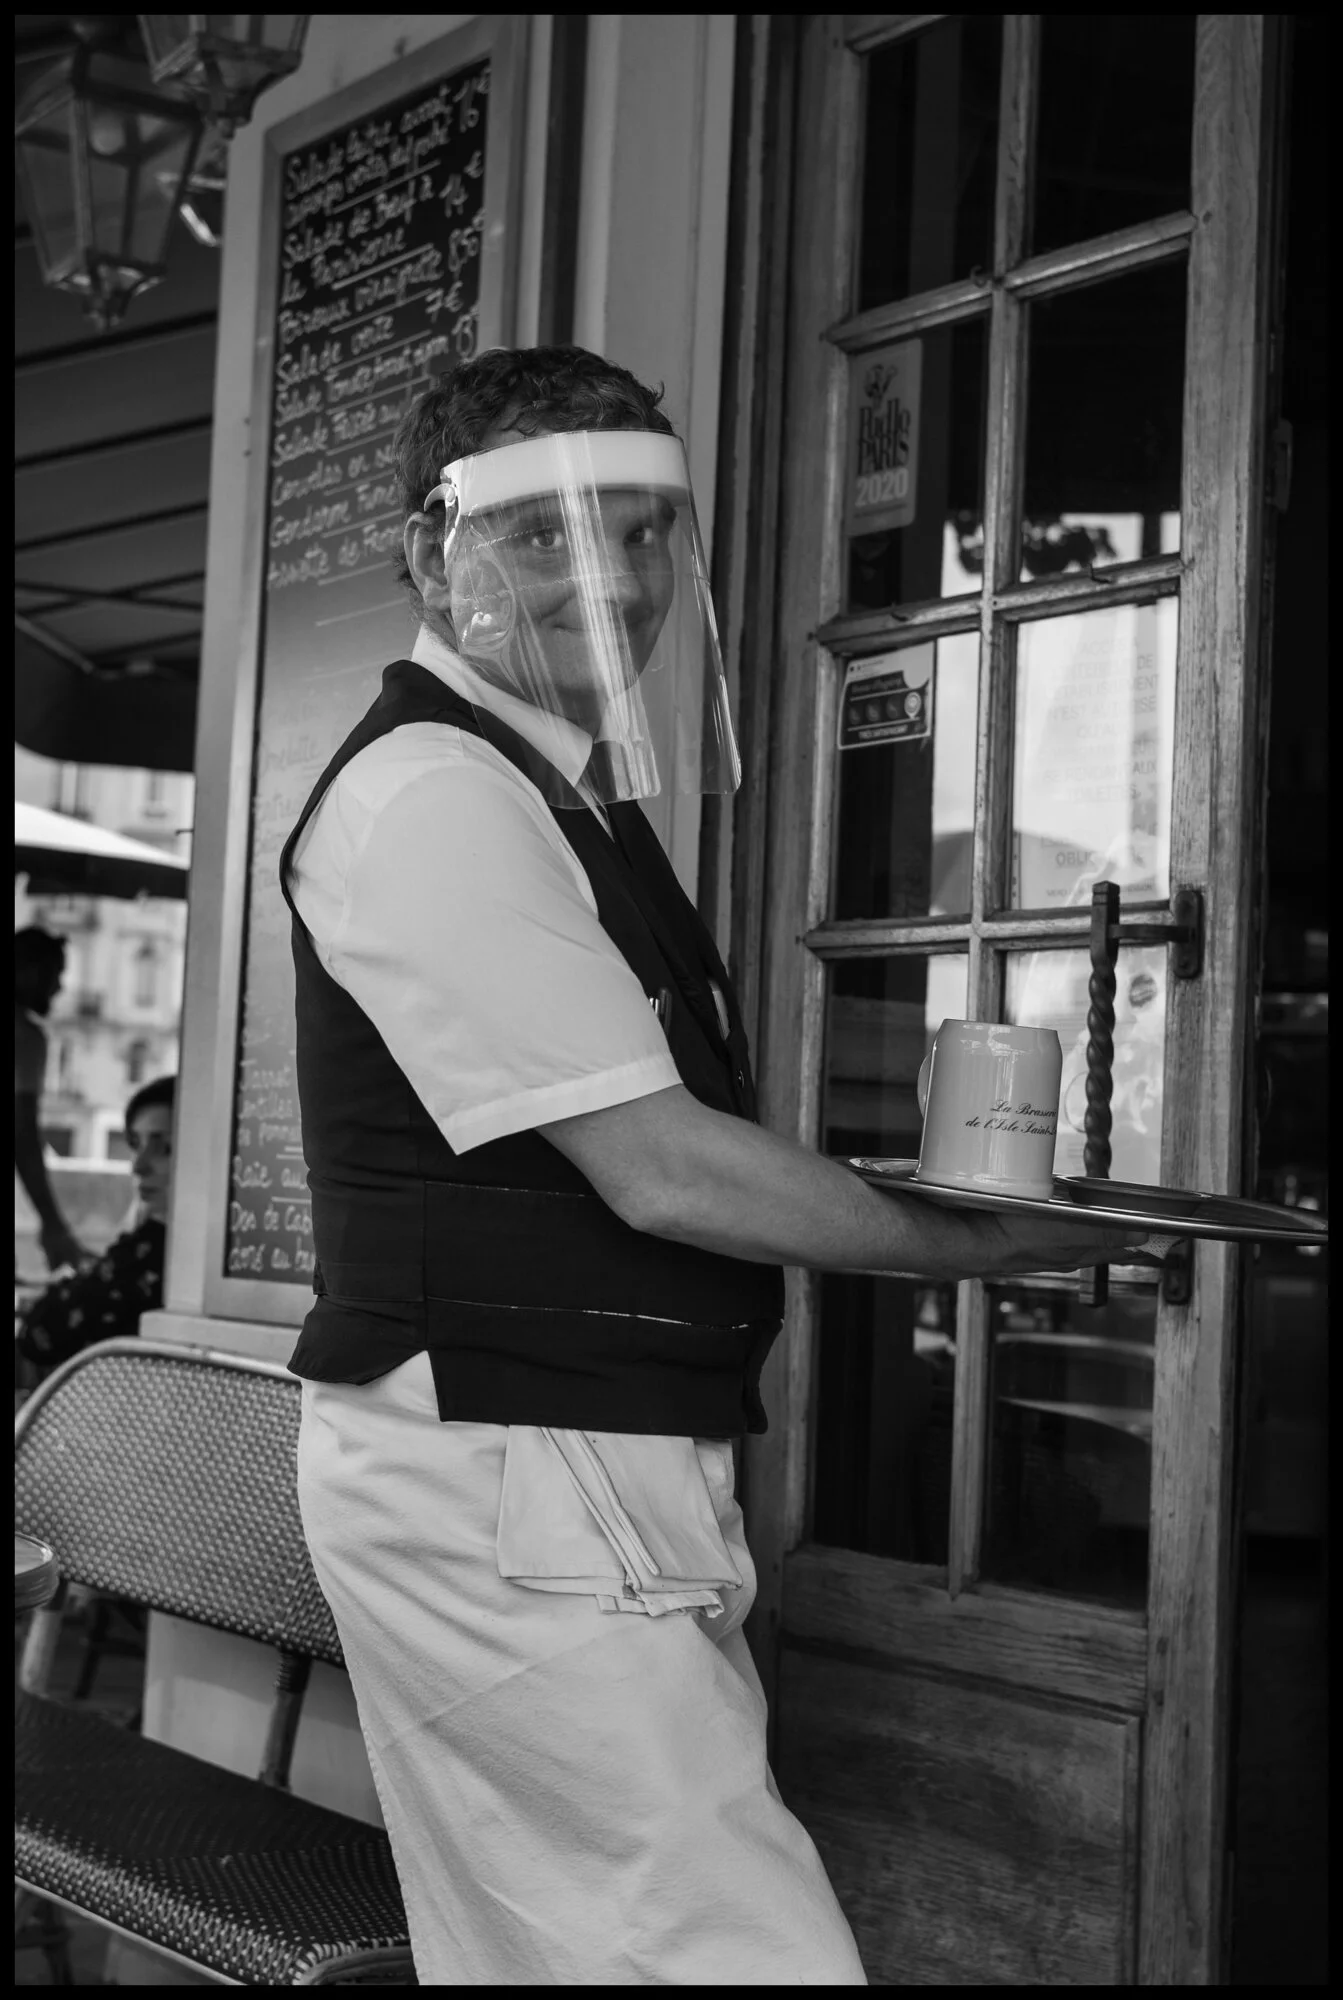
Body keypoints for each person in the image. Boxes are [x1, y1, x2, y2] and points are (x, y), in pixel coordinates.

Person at [282, 345, 1145, 1985]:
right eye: (543, 539)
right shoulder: (434, 795)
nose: (610, 578)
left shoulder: (547, 789)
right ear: (426, 558)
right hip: (513, 1460)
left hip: (549, 1455)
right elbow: (661, 1172)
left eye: (642, 533)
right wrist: (986, 1249)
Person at [17, 1076, 174, 1375]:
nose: (138, 1166)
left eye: (164, 1147)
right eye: (136, 1144)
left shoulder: (152, 1253)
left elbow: (41, 1334)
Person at [14, 926, 85, 1273]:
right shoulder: (24, 1037)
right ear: (26, 971)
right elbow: (22, 1131)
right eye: (54, 974)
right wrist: (53, 1223)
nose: (59, 988)